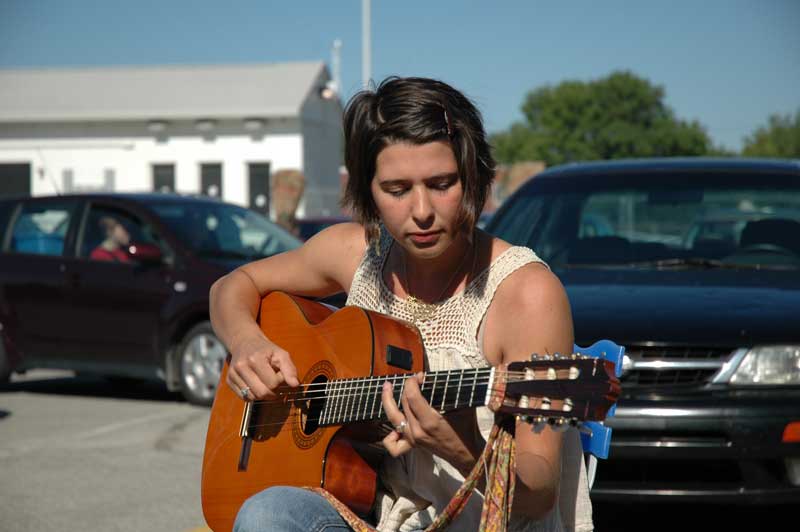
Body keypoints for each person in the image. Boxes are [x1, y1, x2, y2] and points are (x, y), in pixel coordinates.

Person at [209, 76, 593, 532]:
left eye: (442, 183)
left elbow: (540, 495)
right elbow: (233, 285)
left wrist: (462, 450)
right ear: (367, 190)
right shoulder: (356, 255)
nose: (422, 210)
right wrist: (247, 341)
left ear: (474, 178)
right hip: (374, 515)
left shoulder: (526, 294)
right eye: (396, 189)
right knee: (268, 514)